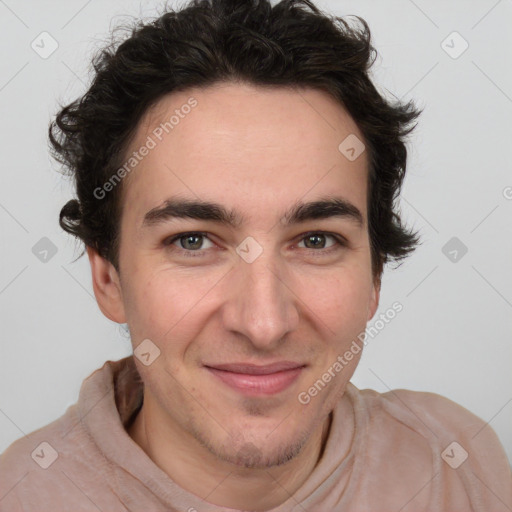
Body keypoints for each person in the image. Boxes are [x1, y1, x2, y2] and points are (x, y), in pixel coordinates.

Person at [1, 0, 510, 510]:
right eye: (193, 241)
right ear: (108, 277)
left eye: (316, 240)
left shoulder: (457, 463)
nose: (264, 324)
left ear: (375, 275)